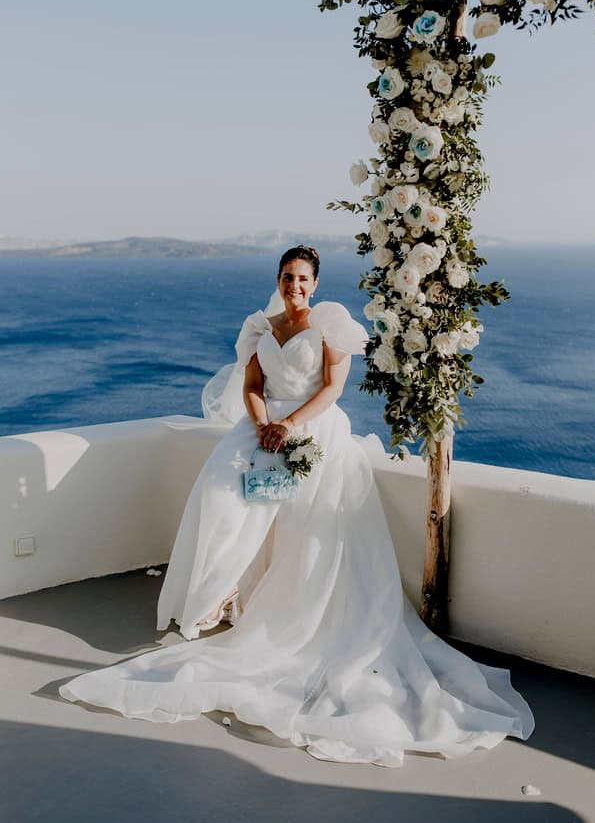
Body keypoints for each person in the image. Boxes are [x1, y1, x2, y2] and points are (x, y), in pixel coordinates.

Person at [59, 245, 534, 766]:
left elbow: (332, 389)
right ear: (278, 279)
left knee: (307, 531)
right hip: (262, 429)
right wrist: (263, 423)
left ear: (315, 282)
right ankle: (218, 596)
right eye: (287, 277)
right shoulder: (260, 328)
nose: (295, 286)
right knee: (219, 495)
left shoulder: (331, 326)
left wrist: (289, 425)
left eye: (303, 278)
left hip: (313, 430)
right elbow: (251, 385)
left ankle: (285, 615)